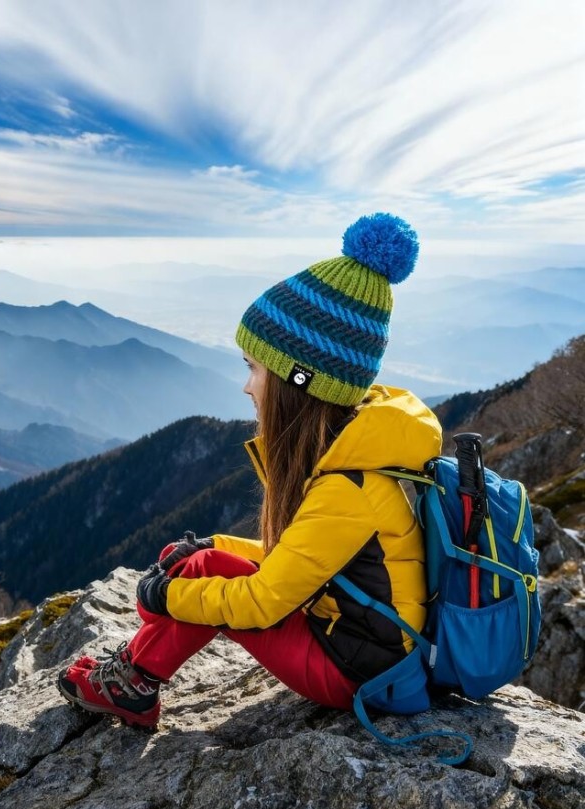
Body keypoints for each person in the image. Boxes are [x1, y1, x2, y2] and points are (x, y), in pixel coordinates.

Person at [57, 213, 442, 728]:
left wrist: (168, 595)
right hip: (356, 644)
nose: (247, 386)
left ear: (296, 380)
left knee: (206, 579)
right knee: (202, 563)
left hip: (357, 671)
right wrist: (212, 546)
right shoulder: (354, 454)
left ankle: (134, 684)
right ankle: (135, 674)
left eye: (254, 368)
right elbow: (304, 560)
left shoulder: (351, 488)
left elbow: (263, 602)